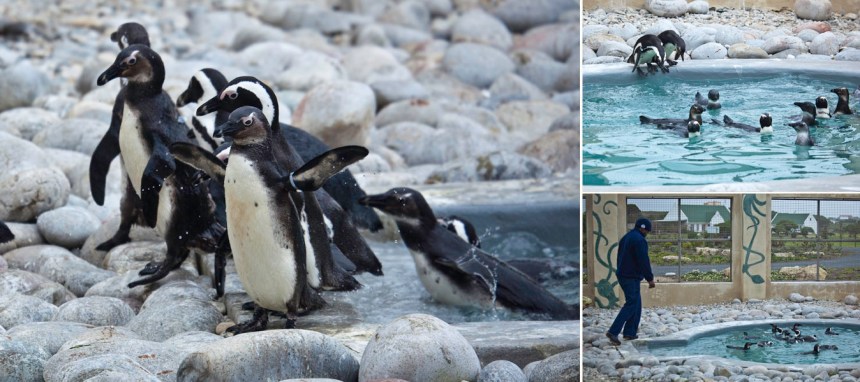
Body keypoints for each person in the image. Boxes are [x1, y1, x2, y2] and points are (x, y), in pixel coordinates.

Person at [606, 218, 656, 345]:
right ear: (643, 228)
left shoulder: (627, 237)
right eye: (647, 231)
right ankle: (613, 331)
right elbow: (643, 261)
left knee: (636, 304)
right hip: (630, 277)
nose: (647, 233)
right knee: (631, 304)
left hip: (623, 274)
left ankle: (630, 333)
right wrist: (650, 279)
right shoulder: (639, 240)